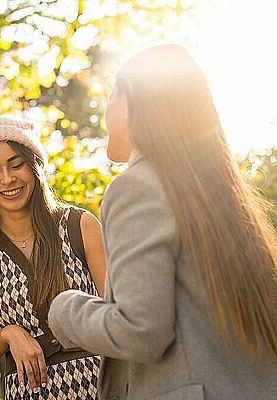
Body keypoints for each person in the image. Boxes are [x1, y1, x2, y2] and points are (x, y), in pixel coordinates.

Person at [48, 44, 277, 399]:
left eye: (110, 97)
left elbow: (141, 331)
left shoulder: (136, 187)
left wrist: (64, 308)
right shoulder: (218, 197)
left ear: (130, 103)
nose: (104, 112)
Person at [0, 116, 107, 399]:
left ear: (34, 165)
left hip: (99, 385)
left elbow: (119, 315)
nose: (7, 179)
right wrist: (7, 335)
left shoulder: (80, 226)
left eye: (16, 164)